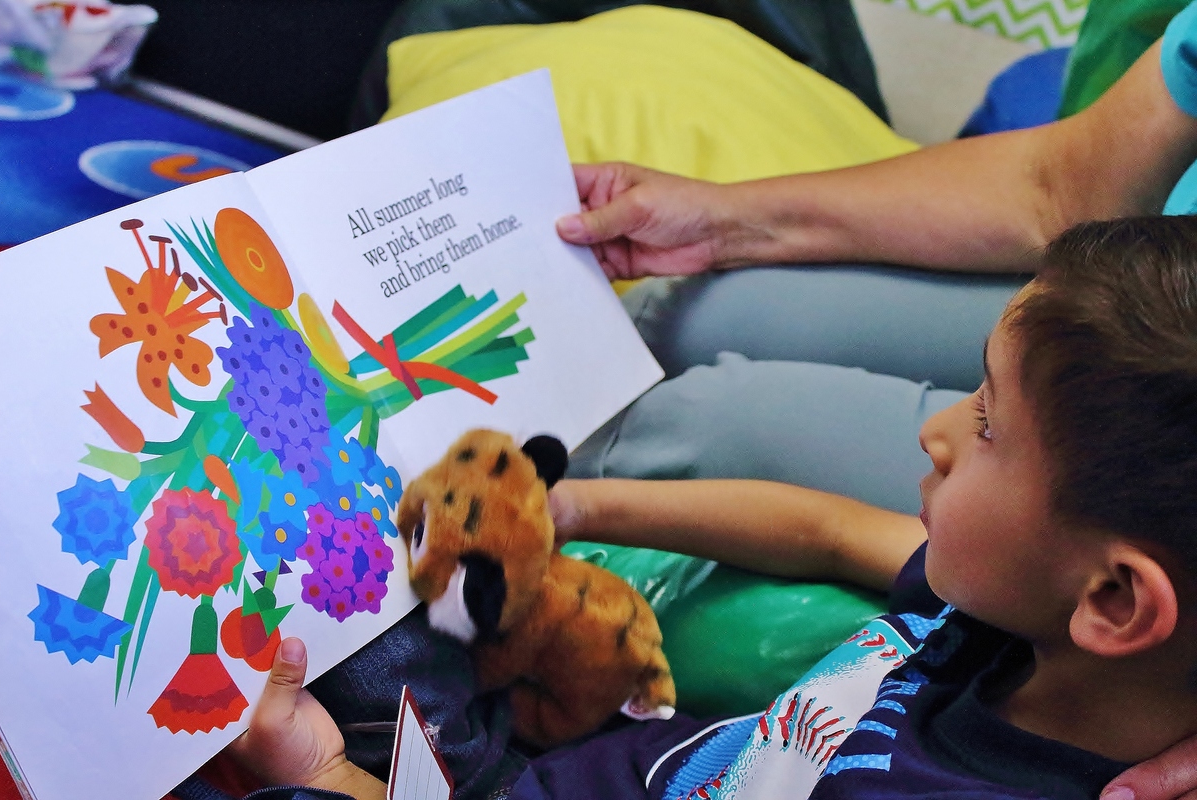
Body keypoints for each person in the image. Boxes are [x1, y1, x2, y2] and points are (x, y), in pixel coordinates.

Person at [219, 216, 1197, 800]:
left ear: (1115, 599)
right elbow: (822, 525)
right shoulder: (1005, 614)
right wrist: (576, 505)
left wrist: (328, 773)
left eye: (986, 419)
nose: (935, 429)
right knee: (387, 567)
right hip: (573, 760)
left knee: (343, 635)